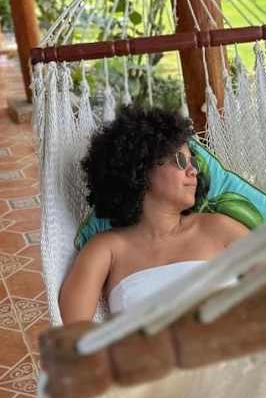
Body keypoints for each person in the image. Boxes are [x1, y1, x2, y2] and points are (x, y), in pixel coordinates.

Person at [59, 106, 249, 323]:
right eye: (180, 161)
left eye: (193, 163)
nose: (194, 171)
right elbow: (73, 331)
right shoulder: (105, 248)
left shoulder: (219, 228)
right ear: (140, 166)